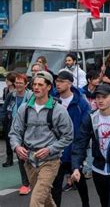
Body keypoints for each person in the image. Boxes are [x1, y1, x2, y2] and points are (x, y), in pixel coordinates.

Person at [9, 71, 73, 207]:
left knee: (36, 201)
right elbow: (14, 133)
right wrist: (17, 147)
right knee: (45, 199)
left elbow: (68, 136)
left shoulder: (59, 110)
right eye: (34, 84)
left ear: (49, 87)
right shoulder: (24, 108)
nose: (36, 87)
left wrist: (50, 149)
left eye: (40, 84)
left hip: (50, 161)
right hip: (30, 161)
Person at [51, 71, 90, 207]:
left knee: (79, 180)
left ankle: (86, 204)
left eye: (61, 81)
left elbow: (85, 127)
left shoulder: (81, 103)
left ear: (70, 83)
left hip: (74, 149)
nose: (58, 84)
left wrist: (81, 147)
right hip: (56, 149)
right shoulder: (52, 99)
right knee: (56, 185)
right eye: (57, 81)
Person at [0, 74, 33, 194]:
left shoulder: (31, 96)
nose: (18, 85)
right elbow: (4, 109)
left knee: (32, 155)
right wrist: (4, 123)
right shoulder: (11, 95)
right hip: (15, 129)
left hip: (30, 130)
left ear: (26, 84)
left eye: (20, 83)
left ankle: (34, 179)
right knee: (21, 156)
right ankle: (25, 183)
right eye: (16, 83)